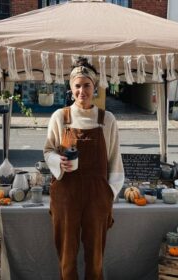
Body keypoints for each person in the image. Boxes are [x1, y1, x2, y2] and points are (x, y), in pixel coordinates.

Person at [44, 57, 124, 280]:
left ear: (94, 86)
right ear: (71, 88)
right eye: (77, 85)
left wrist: (110, 193)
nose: (82, 91)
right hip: (66, 192)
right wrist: (57, 162)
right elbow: (48, 150)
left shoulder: (106, 119)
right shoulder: (61, 117)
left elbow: (114, 160)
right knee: (67, 257)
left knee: (95, 257)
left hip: (97, 195)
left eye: (86, 85)